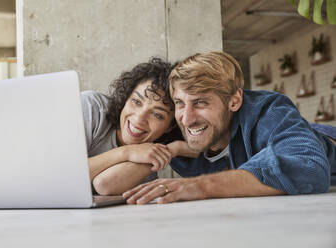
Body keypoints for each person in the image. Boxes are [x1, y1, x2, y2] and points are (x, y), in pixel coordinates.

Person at [123, 51, 336, 204]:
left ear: (234, 101)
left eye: (200, 103)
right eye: (180, 103)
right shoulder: (175, 130)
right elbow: (106, 184)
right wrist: (172, 150)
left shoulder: (268, 111)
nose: (187, 119)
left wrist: (200, 186)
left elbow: (309, 167)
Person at [81, 58, 197, 195]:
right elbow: (58, 173)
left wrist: (174, 148)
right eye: (136, 101)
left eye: (157, 115)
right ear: (125, 97)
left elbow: (104, 185)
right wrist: (126, 152)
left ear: (170, 126)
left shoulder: (146, 166)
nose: (139, 118)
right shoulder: (93, 107)